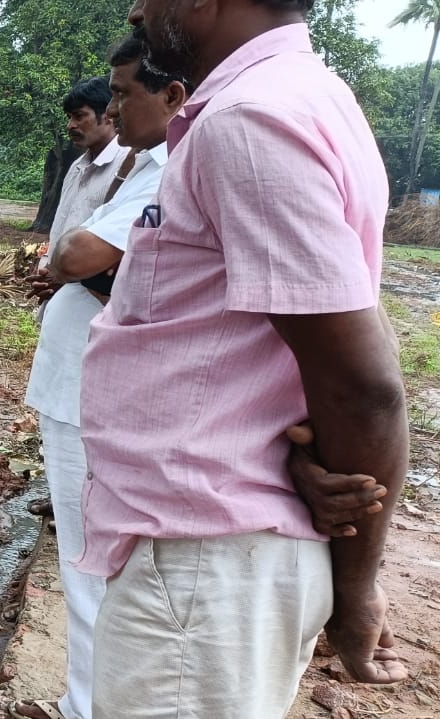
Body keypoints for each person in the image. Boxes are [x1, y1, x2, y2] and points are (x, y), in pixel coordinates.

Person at [83, 0, 410, 714]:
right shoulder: (299, 98)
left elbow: (362, 383)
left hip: (206, 566)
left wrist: (358, 587)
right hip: (216, 551)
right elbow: (316, 337)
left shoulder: (249, 122)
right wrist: (294, 454)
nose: (137, 7)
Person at [9, 33, 189, 719]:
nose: (111, 110)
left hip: (92, 389)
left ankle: (85, 704)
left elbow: (79, 252)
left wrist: (69, 266)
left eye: (120, 96)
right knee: (96, 554)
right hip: (83, 379)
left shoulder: (166, 168)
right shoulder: (140, 168)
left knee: (89, 558)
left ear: (172, 96)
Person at [22, 75, 126, 521]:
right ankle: (62, 489)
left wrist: (62, 279)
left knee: (83, 407)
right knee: (59, 405)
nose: (72, 125)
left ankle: (83, 499)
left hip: (94, 307)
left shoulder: (126, 171)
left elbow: (105, 252)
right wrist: (48, 272)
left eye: (80, 116)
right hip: (62, 301)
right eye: (69, 117)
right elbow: (63, 230)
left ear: (108, 115)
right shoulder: (79, 166)